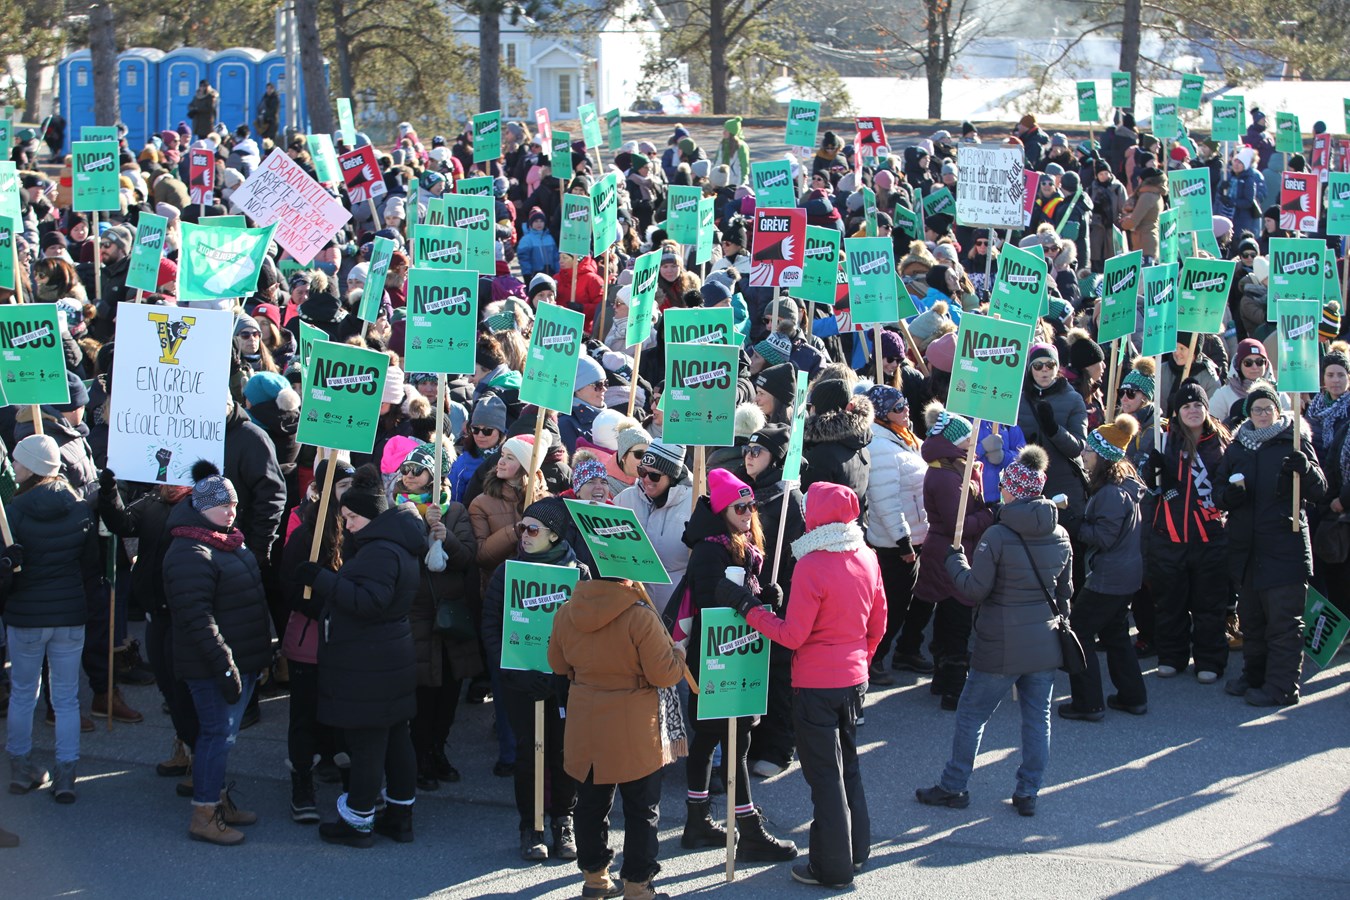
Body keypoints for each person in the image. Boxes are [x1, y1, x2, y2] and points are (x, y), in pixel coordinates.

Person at [729, 482, 885, 889]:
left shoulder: (812, 564)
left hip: (816, 683)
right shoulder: (867, 556)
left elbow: (792, 635)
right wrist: (860, 663)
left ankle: (832, 866)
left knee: (825, 777)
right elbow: (878, 624)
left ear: (813, 516)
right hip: (853, 678)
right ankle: (856, 850)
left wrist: (749, 609)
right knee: (848, 767)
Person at [916, 445, 1070, 817]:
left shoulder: (997, 536)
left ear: (1012, 491)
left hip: (1000, 643)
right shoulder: (1061, 534)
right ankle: (1028, 791)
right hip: (1045, 642)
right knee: (1038, 719)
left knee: (972, 714)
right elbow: (1065, 594)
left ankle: (954, 785)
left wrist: (956, 562)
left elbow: (974, 590)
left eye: (1003, 486)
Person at [296, 464, 424, 846]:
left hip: (370, 662)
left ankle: (358, 820)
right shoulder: (395, 542)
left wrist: (321, 579)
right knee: (396, 739)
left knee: (367, 745)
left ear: (369, 515)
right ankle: (400, 815)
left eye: (351, 518)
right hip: (389, 657)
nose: (347, 525)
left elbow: (369, 602)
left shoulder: (380, 551)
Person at [677, 469, 797, 862]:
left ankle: (697, 821)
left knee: (719, 741)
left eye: (751, 506)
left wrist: (768, 596)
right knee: (731, 743)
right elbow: (710, 599)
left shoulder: (743, 544)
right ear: (721, 511)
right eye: (739, 507)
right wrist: (751, 602)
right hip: (717, 658)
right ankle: (748, 830)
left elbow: (743, 595)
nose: (748, 513)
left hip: (736, 653)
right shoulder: (709, 549)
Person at [549, 578, 688, 900]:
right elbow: (664, 674)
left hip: (585, 718)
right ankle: (638, 887)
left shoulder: (567, 611)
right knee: (642, 809)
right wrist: (678, 654)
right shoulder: (640, 616)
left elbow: (557, 663)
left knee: (590, 804)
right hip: (634, 723)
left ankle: (595, 879)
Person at [163, 462, 273, 845]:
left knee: (223, 738)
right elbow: (198, 620)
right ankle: (205, 813)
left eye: (234, 505)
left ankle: (218, 799)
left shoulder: (227, 540)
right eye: (222, 506)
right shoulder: (190, 552)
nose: (231, 512)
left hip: (238, 660)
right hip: (212, 666)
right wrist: (225, 667)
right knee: (215, 736)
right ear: (201, 508)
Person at [482, 497, 588, 860]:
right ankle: (531, 826)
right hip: (520, 682)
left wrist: (568, 673)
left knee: (563, 752)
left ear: (555, 535)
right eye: (521, 528)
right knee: (529, 754)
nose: (523, 535)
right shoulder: (507, 572)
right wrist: (514, 671)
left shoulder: (579, 574)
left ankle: (563, 821)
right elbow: (491, 626)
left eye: (532, 529)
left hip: (564, 682)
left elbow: (589, 630)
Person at [1216, 382, 1326, 706]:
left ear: (1278, 410)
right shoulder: (1238, 448)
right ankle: (1255, 675)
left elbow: (1319, 490)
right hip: (1248, 550)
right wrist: (1229, 496)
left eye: (1268, 408)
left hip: (1284, 546)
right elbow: (1219, 493)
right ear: (1248, 413)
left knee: (1283, 623)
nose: (1263, 414)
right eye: (1256, 409)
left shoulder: (1295, 441)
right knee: (1252, 620)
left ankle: (1282, 687)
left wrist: (1306, 470)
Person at [4, 435, 98, 805]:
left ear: (32, 467)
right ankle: (66, 774)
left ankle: (20, 767)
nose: (13, 466)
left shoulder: (13, 512)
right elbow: (90, 566)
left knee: (23, 694)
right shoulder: (80, 508)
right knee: (66, 698)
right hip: (69, 614)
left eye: (18, 461)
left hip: (26, 615)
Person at [278, 456, 354, 825]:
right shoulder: (305, 535)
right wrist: (325, 605)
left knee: (345, 716)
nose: (349, 494)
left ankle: (353, 787)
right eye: (343, 487)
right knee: (304, 716)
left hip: (347, 642)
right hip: (309, 639)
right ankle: (302, 788)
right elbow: (289, 588)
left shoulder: (359, 528)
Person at [1059, 416, 1149, 720]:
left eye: (1089, 451)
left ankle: (1088, 703)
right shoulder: (1123, 485)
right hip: (1125, 575)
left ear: (1103, 456)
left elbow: (1104, 538)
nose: (1084, 454)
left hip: (1109, 577)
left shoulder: (1111, 492)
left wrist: (1073, 523)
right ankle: (1133, 697)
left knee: (1078, 632)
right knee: (1116, 634)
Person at [1141, 380, 1231, 683]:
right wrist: (1153, 470)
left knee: (1209, 605)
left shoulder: (1221, 443)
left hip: (1210, 537)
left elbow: (1229, 485)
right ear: (1177, 412)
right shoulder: (1164, 440)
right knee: (1170, 604)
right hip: (1169, 537)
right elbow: (1148, 485)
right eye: (1186, 406)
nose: (1193, 410)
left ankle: (1210, 659)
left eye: (1197, 405)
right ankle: (1171, 656)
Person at [914, 405, 995, 709]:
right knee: (957, 624)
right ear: (955, 441)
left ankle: (941, 681)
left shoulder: (952, 467)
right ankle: (954, 691)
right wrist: (989, 515)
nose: (973, 443)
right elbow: (957, 526)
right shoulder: (946, 476)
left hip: (946, 552)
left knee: (948, 620)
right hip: (949, 553)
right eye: (968, 439)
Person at [862, 385, 932, 680]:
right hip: (896, 544)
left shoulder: (903, 437)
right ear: (882, 414)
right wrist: (903, 542)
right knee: (893, 606)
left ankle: (906, 651)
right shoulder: (880, 446)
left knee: (917, 600)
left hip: (916, 534)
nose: (906, 410)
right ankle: (874, 658)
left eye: (904, 404)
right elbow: (885, 500)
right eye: (898, 407)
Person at [613, 441, 693, 610]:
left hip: (675, 609)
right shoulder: (625, 499)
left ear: (672, 476)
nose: (646, 479)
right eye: (642, 472)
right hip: (632, 608)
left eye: (654, 476)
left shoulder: (693, 504)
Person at [801, 380, 872, 523]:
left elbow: (808, 504)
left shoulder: (821, 454)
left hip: (827, 533)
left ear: (816, 409)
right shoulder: (860, 446)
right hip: (854, 529)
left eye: (811, 406)